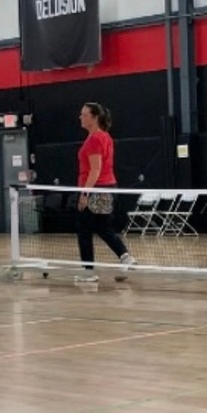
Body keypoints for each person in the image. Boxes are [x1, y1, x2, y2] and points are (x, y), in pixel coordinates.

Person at [74, 102, 136, 283]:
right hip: (108, 187)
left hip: (97, 190)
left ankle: (88, 272)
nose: (80, 117)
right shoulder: (105, 137)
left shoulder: (95, 139)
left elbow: (95, 169)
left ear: (94, 118)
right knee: (103, 227)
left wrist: (85, 194)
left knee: (84, 230)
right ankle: (125, 257)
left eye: (84, 114)